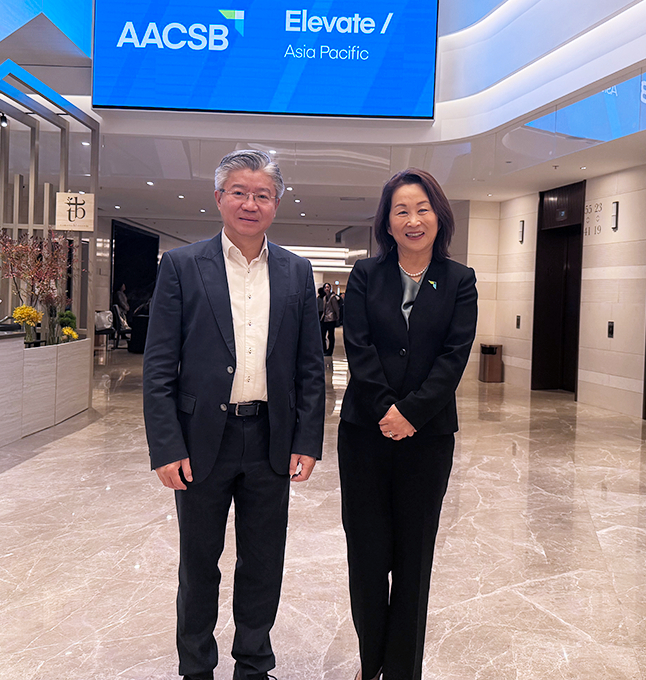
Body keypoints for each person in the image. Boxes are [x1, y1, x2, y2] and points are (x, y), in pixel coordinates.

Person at [143, 149, 325, 680]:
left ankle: (254, 664)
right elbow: (158, 367)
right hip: (202, 443)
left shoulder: (297, 270)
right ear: (219, 198)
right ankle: (195, 667)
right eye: (240, 193)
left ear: (277, 202)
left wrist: (307, 439)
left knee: (263, 561)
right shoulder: (181, 266)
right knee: (199, 564)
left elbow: (310, 366)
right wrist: (167, 447)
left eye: (262, 194)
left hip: (271, 437)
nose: (251, 203)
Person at [338, 169, 478, 680]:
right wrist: (385, 411)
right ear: (387, 222)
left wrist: (412, 413)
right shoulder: (364, 275)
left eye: (422, 209)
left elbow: (453, 357)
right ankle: (369, 662)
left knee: (414, 556)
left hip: (428, 438)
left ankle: (402, 671)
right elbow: (359, 347)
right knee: (368, 554)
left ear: (439, 216)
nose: (413, 219)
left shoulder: (461, 280)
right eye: (402, 210)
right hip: (364, 435)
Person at [320, 281, 340, 356]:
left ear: (330, 288)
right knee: (323, 335)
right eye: (325, 287)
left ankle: (330, 351)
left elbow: (336, 308)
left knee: (330, 336)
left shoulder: (332, 297)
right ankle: (324, 349)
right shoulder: (325, 297)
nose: (326, 289)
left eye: (328, 287)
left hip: (331, 319)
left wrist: (337, 317)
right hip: (325, 318)